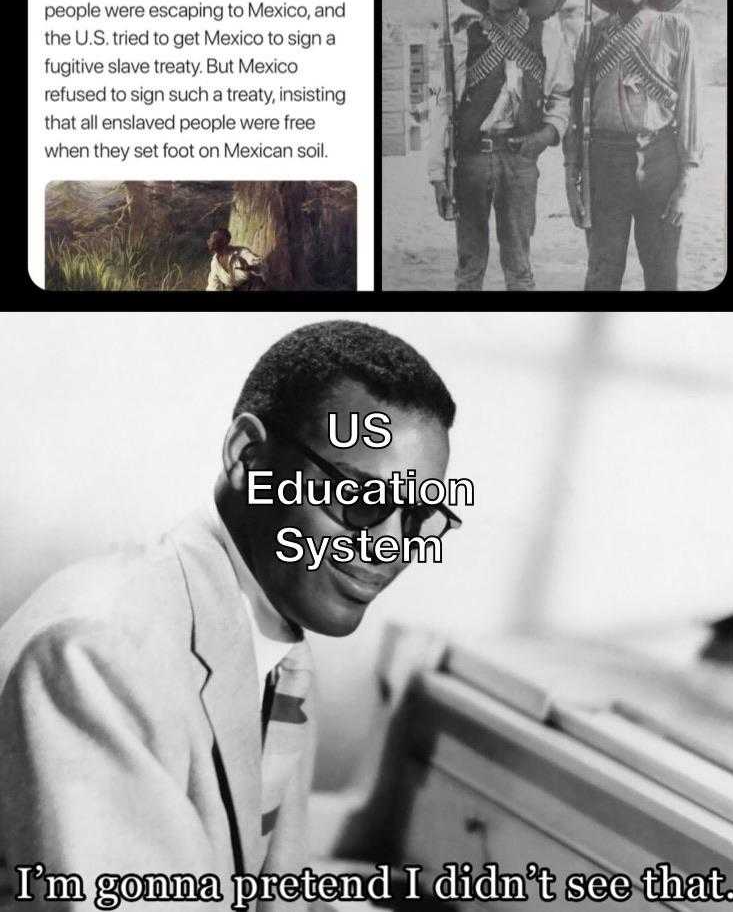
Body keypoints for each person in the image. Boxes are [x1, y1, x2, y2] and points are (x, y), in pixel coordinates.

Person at [0, 321, 458, 893]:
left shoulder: (277, 642)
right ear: (248, 454)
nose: (389, 545)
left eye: (417, 516)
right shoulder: (98, 656)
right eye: (362, 499)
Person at [428, 0, 573, 292]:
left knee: (520, 267)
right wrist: (437, 175)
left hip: (520, 160)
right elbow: (443, 106)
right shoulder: (462, 37)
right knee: (469, 267)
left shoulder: (547, 35)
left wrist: (546, 135)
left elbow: (562, 95)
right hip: (471, 160)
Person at [564, 0, 702, 291]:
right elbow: (577, 110)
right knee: (602, 273)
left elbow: (689, 106)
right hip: (605, 162)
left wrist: (684, 183)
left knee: (662, 275)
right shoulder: (593, 34)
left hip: (661, 159)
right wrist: (571, 173)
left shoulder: (677, 29)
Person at [206, 226, 266, 292]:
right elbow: (213, 286)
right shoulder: (215, 263)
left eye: (212, 237)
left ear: (222, 241)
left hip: (253, 286)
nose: (208, 241)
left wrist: (250, 267)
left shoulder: (240, 252)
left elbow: (260, 264)